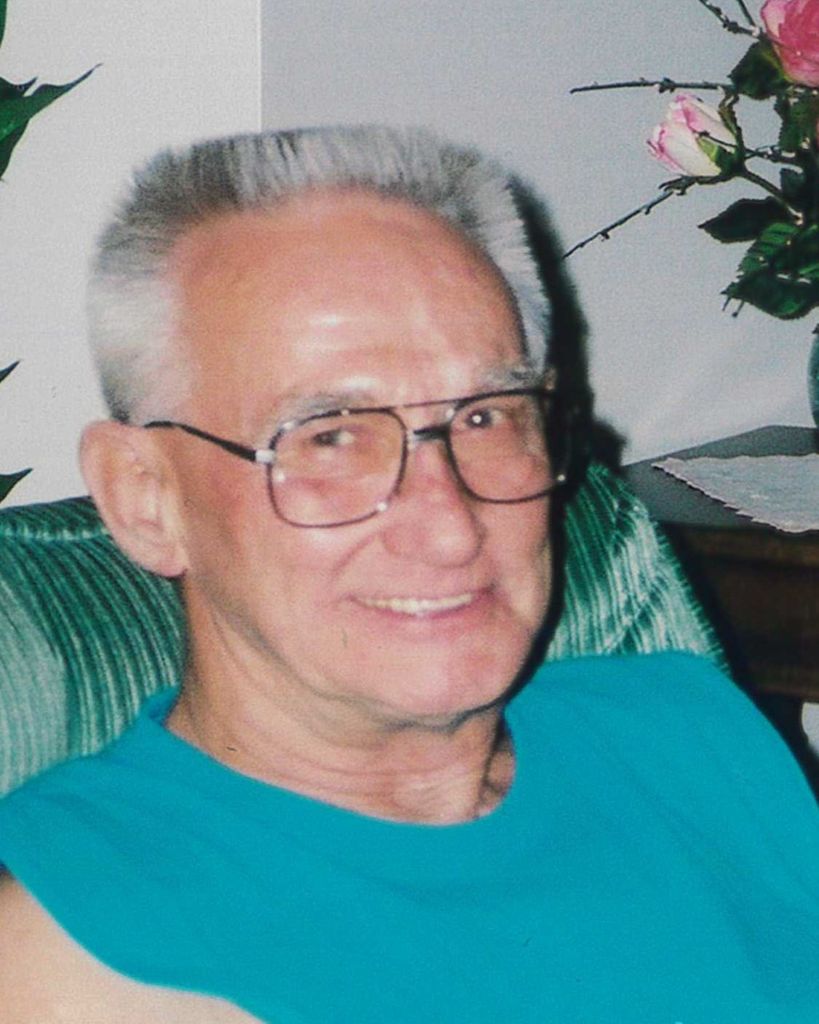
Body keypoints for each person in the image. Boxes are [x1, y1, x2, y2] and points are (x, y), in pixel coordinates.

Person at [0, 124, 817, 1024]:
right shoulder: (79, 944)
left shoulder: (686, 730)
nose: (448, 526)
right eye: (329, 437)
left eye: (486, 417)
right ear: (145, 499)